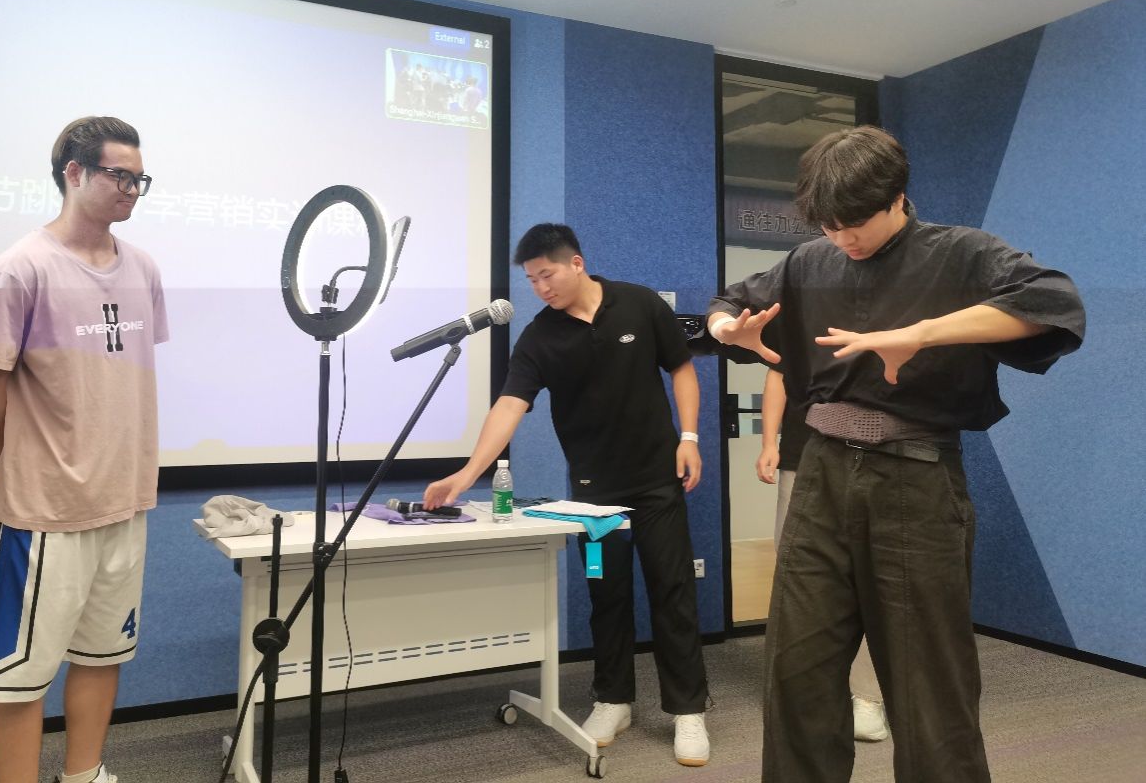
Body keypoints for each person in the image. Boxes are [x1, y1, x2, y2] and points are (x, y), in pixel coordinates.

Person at [708, 125, 1083, 783]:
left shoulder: (960, 253)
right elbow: (730, 303)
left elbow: (1055, 304)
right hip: (821, 474)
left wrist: (923, 333)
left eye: (855, 224)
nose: (842, 239)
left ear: (897, 197)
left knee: (929, 686)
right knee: (795, 673)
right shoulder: (809, 261)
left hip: (915, 479)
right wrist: (728, 330)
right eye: (829, 225)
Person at [423, 224, 712, 767]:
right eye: (532, 279)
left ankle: (688, 710)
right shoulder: (540, 337)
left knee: (672, 591)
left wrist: (690, 437)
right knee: (607, 594)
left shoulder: (639, 304)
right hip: (591, 497)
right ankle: (613, 701)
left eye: (547, 274)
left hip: (657, 480)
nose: (541, 287)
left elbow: (681, 367)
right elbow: (509, 406)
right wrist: (468, 473)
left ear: (576, 263)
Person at [0, 116, 168, 783]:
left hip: (124, 502)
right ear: (74, 173)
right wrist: (29, 463)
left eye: (139, 179)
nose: (130, 189)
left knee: (103, 655)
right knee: (19, 676)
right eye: (118, 175)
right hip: (43, 514)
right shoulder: (18, 268)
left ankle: (83, 775)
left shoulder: (143, 268)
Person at [756, 367, 887, 742]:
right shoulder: (797, 325)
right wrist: (769, 442)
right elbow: (779, 372)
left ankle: (867, 697)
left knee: (870, 578)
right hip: (802, 456)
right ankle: (806, 689)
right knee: (797, 579)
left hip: (877, 456)